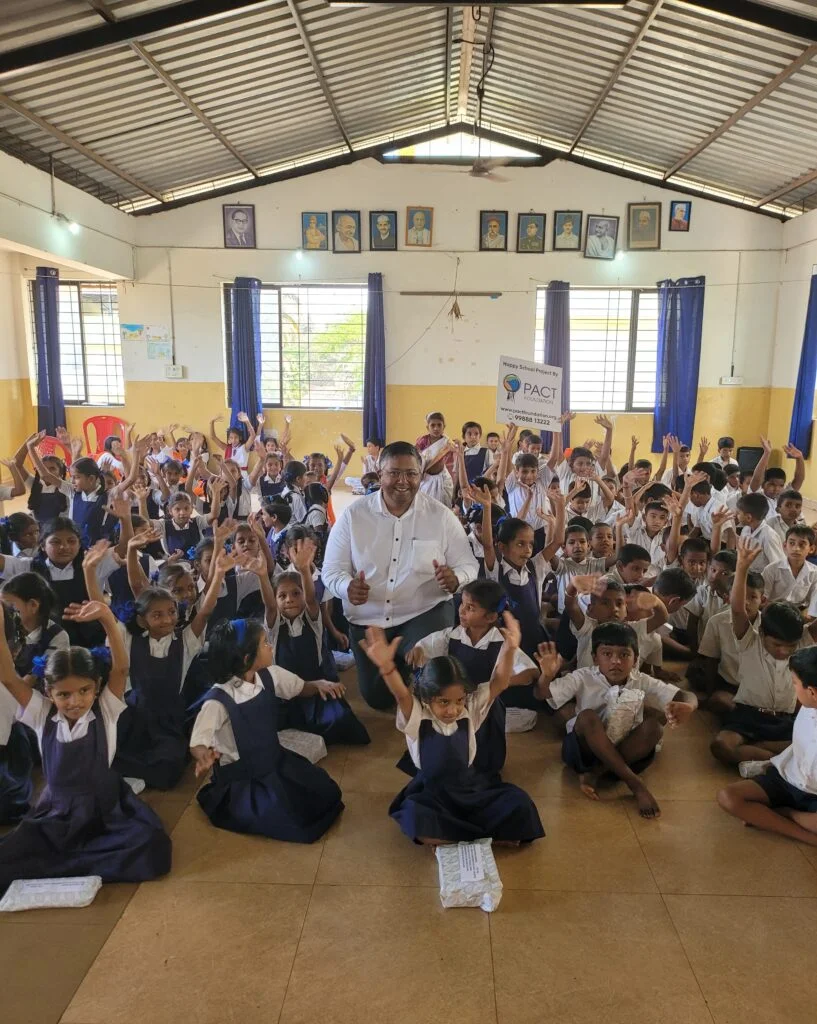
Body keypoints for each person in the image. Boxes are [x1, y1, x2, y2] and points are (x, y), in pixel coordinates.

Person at [0, 600, 171, 892]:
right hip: (57, 813)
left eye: (83, 691)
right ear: (48, 692)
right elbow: (7, 676)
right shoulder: (42, 714)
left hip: (103, 809)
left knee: (152, 847)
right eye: (63, 694)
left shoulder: (105, 709)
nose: (75, 701)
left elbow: (122, 668)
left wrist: (106, 617)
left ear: (96, 686)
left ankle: (74, 861)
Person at [360, 614, 545, 845]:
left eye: (459, 701)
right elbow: (402, 695)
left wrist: (509, 649)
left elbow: (499, 682)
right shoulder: (418, 715)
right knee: (416, 817)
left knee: (520, 804)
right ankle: (484, 839)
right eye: (444, 702)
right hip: (433, 794)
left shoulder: (471, 710)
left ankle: (457, 837)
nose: (453, 710)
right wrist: (387, 668)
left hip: (471, 788)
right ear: (427, 699)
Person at [322, 441, 479, 710]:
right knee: (378, 700)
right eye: (394, 473)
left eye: (411, 474)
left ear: (421, 475)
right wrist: (347, 587)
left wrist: (457, 578)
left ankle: (425, 683)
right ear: (379, 474)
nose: (402, 481)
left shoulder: (440, 517)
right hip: (368, 617)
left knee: (427, 675)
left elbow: (469, 565)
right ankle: (400, 673)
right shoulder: (353, 517)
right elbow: (330, 571)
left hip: (422, 612)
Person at [190, 618, 343, 842]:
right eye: (264, 643)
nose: (270, 646)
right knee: (294, 822)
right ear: (246, 659)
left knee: (325, 793)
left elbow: (300, 688)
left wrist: (319, 684)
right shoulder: (218, 700)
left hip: (275, 762)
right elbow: (198, 741)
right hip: (245, 779)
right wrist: (203, 755)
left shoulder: (270, 675)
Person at [535, 624, 697, 817]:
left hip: (628, 752)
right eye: (607, 654)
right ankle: (635, 783)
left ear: (635, 659)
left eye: (624, 655)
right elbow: (541, 693)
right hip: (583, 753)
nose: (615, 661)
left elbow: (685, 695)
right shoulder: (583, 676)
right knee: (587, 717)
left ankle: (597, 773)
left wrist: (689, 706)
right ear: (595, 658)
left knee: (654, 728)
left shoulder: (641, 679)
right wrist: (546, 677)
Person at [710, 537, 817, 774]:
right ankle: (778, 762)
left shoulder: (803, 642)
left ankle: (763, 756)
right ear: (762, 632)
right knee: (721, 746)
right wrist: (742, 567)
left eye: (790, 646)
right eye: (777, 644)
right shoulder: (749, 639)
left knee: (809, 745)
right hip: (748, 715)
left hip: (785, 720)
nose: (785, 651)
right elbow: (737, 609)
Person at [268, 536, 369, 745]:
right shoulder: (274, 627)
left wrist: (304, 570)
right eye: (282, 596)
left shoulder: (312, 620)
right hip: (286, 694)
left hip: (317, 689)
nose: (289, 600)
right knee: (264, 724)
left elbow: (312, 599)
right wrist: (262, 575)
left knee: (340, 720)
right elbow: (269, 606)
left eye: (296, 594)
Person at [717, 646, 817, 847]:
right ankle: (806, 835)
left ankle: (782, 813)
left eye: (794, 683)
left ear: (812, 692)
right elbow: (798, 747)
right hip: (787, 779)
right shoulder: (807, 708)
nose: (792, 687)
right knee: (728, 797)